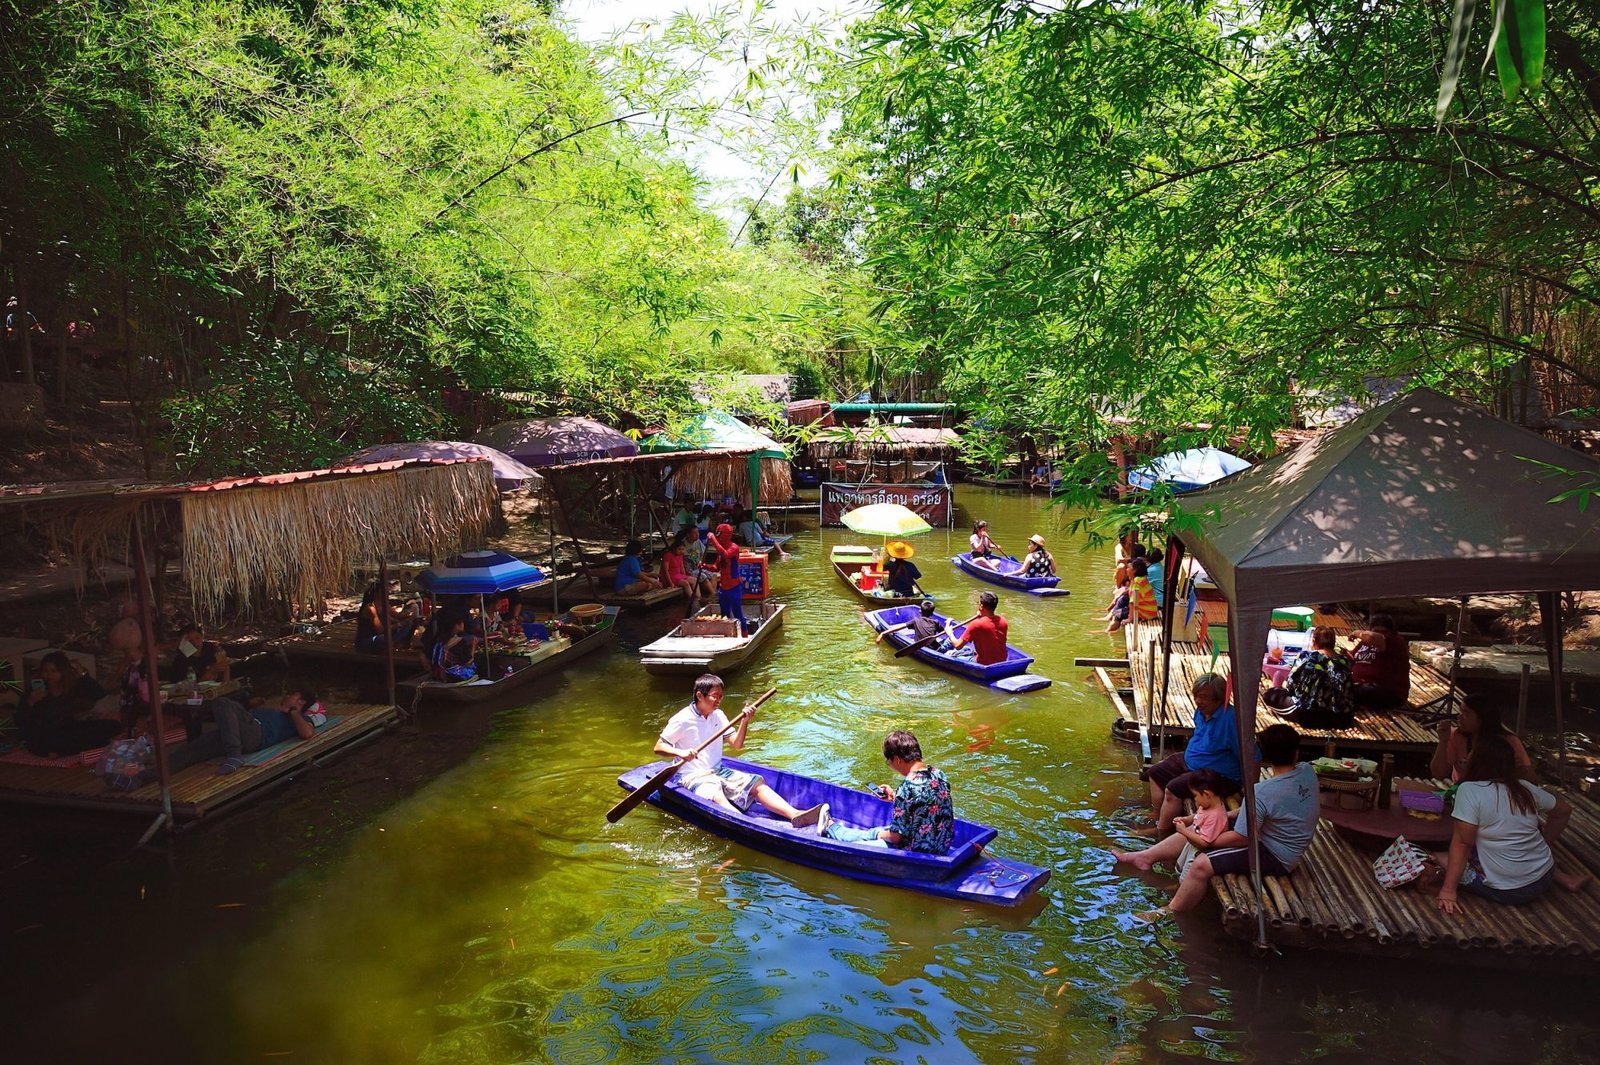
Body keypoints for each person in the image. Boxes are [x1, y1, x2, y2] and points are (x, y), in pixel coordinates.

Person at [1126, 723, 1320, 920]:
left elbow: (1242, 838)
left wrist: (1200, 838)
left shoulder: (1262, 792)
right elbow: (1269, 811)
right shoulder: (1306, 772)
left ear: (1265, 757)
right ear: (1296, 753)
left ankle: (1168, 911)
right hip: (1278, 839)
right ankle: (1146, 857)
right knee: (1199, 826)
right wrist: (1222, 818)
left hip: (1276, 855)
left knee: (1201, 864)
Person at [1436, 735, 1590, 914]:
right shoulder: (1524, 787)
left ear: (1477, 761)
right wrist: (1544, 844)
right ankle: (1565, 879)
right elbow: (1563, 811)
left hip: (1509, 891)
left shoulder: (1470, 791)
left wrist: (1448, 891)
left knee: (1439, 856)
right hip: (1544, 875)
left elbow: (1463, 844)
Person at [653, 674, 824, 827]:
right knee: (716, 794)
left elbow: (737, 744)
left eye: (721, 696)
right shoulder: (682, 719)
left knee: (757, 782)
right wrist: (681, 753)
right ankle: (745, 824)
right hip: (692, 776)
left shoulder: (718, 715)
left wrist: (745, 721)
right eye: (715, 696)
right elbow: (659, 747)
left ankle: (795, 815)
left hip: (717, 770)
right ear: (699, 695)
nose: (719, 700)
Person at [819, 730, 954, 853]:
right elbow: (925, 801)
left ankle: (831, 829)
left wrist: (875, 834)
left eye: (888, 761)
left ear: (897, 759)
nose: (890, 765)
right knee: (878, 831)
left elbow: (895, 838)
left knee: (867, 838)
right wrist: (894, 797)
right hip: (941, 846)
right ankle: (832, 827)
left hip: (915, 851)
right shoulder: (939, 774)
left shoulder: (906, 788)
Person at [1143, 673, 1244, 836]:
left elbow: (1253, 757)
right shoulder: (1201, 711)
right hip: (1192, 762)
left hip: (1220, 775)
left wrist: (1252, 790)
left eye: (1203, 697)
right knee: (1154, 772)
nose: (1198, 701)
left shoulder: (1231, 721)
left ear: (1218, 699)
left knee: (1173, 789)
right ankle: (1157, 814)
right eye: (1196, 696)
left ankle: (1162, 830)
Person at [143, 690, 325, 779]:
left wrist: (293, 712)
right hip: (235, 733)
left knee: (222, 702)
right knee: (187, 752)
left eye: (292, 694)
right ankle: (139, 779)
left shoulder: (298, 717)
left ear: (300, 701)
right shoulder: (272, 711)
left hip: (255, 733)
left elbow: (307, 733)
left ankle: (234, 755)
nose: (287, 695)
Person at [1111, 767, 1230, 875]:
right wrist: (1187, 819)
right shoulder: (1207, 806)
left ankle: (1181, 887)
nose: (1195, 799)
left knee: (1188, 872)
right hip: (1192, 842)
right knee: (1180, 865)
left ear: (1207, 794)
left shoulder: (1215, 816)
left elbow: (1204, 843)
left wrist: (1184, 831)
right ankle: (1177, 881)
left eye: (1195, 796)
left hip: (1198, 850)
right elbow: (1198, 817)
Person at [15, 652, 117, 756]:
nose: (49, 675)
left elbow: (98, 693)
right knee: (60, 743)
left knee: (111, 726)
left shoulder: (68, 686)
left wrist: (83, 675)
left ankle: (85, 746)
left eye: (54, 671)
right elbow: (20, 721)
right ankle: (56, 751)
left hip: (68, 729)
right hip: (45, 734)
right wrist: (31, 702)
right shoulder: (34, 691)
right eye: (45, 671)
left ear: (62, 672)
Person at [1430, 697, 1534, 783]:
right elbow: (1438, 774)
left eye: (1466, 713)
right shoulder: (1456, 735)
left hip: (1499, 792)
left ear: (1482, 719)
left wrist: (1514, 770)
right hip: (1462, 790)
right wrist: (1443, 742)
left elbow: (1531, 779)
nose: (1459, 716)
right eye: (1460, 711)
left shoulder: (1509, 741)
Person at [1271, 625, 1354, 728]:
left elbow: (1291, 685)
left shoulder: (1307, 657)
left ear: (1314, 640)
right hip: (1342, 717)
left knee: (1271, 694)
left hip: (1310, 714)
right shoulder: (1345, 661)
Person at [1349, 614, 1410, 710]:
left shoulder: (1395, 642)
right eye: (1376, 631)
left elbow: (1376, 638)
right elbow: (1351, 657)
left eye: (1384, 632)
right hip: (1360, 684)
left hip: (1386, 692)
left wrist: (1357, 633)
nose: (1379, 634)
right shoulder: (1365, 642)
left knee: (1358, 691)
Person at [354, 582, 420, 654]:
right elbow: (380, 630)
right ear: (377, 593)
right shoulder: (370, 607)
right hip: (367, 640)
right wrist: (398, 624)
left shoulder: (384, 603)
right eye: (384, 589)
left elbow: (397, 616)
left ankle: (395, 644)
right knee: (384, 638)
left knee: (409, 624)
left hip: (383, 635)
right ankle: (391, 645)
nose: (387, 591)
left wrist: (409, 611)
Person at [947, 591, 1008, 665]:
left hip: (983, 663)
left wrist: (949, 633)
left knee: (949, 654)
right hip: (1002, 661)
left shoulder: (976, 624)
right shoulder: (1003, 621)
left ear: (981, 606)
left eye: (978, 603)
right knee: (967, 650)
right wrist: (982, 615)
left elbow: (957, 646)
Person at [710, 523, 748, 634]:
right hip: (723, 589)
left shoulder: (734, 548)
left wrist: (712, 538)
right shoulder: (720, 551)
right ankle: (727, 635)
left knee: (738, 614)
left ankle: (745, 636)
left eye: (719, 535)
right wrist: (703, 565)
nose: (718, 537)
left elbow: (725, 554)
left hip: (734, 587)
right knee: (725, 615)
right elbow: (716, 568)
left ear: (726, 535)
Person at [876, 599, 947, 648]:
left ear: (920, 611)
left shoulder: (915, 621)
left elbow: (900, 627)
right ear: (932, 613)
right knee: (946, 642)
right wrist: (949, 622)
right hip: (934, 646)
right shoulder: (935, 622)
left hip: (919, 646)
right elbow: (945, 632)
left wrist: (883, 633)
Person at [658, 530, 699, 606]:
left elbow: (681, 566)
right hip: (669, 577)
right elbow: (665, 570)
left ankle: (698, 598)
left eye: (683, 549)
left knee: (695, 580)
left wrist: (685, 576)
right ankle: (693, 601)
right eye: (679, 549)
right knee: (685, 583)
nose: (681, 551)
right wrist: (671, 584)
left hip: (678, 575)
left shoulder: (680, 555)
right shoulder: (668, 555)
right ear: (674, 549)